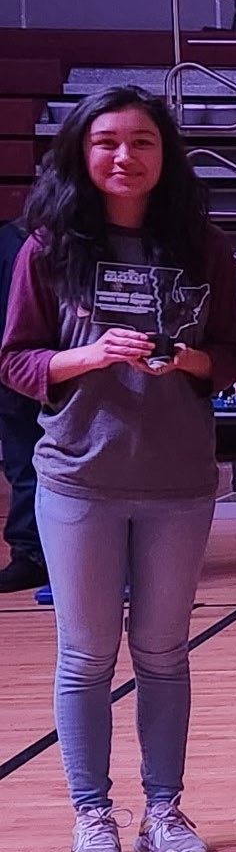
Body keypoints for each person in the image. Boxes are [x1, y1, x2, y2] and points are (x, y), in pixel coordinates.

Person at [0, 86, 236, 852]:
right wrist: (91, 354)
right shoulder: (48, 246)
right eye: (107, 141)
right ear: (82, 151)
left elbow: (234, 356)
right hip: (79, 478)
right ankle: (92, 814)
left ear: (164, 154)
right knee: (85, 656)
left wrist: (188, 360)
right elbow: (18, 359)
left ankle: (164, 810)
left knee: (165, 652)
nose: (124, 156)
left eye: (141, 141)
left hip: (176, 479)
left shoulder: (199, 245)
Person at [0, 219, 46, 594]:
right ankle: (30, 551)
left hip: (47, 373)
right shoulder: (10, 241)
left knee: (30, 465)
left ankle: (34, 553)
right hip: (12, 374)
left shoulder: (18, 243)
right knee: (22, 466)